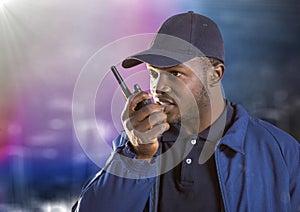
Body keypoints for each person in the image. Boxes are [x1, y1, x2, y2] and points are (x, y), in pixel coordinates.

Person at [73, 11, 300, 211]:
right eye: (153, 73)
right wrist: (138, 155)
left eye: (175, 74)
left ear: (215, 74)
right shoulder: (135, 144)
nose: (158, 87)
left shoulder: (279, 150)